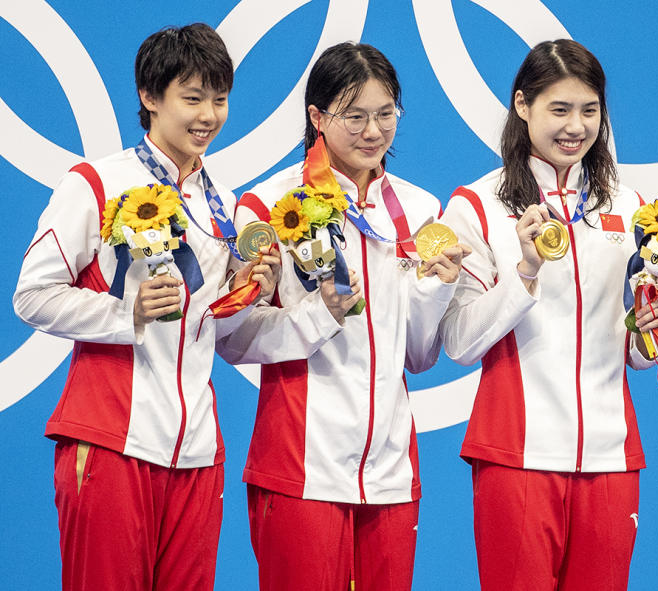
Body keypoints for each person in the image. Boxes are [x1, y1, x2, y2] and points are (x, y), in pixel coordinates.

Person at [13, 23, 282, 590]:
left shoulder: (225, 208)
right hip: (111, 439)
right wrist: (124, 315)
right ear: (149, 97)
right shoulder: (96, 183)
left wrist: (249, 288)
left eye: (219, 98)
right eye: (192, 98)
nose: (208, 114)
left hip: (197, 454)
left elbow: (215, 328)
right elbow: (32, 295)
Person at [216, 42, 469, 591]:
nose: (373, 132)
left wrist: (435, 291)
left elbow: (419, 356)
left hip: (391, 471)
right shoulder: (268, 207)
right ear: (318, 117)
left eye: (386, 114)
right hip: (299, 465)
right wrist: (317, 316)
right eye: (355, 116)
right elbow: (232, 340)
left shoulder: (421, 212)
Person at [438, 39, 658, 590]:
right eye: (559, 109)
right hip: (516, 454)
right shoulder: (477, 205)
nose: (575, 127)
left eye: (589, 111)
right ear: (522, 106)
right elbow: (458, 341)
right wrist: (523, 273)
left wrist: (648, 333)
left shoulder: (632, 208)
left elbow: (634, 348)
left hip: (610, 457)